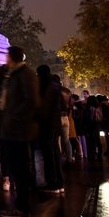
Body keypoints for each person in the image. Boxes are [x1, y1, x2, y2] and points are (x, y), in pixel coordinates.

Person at [0, 46, 40, 217]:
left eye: (7, 56)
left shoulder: (25, 74)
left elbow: (31, 101)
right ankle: (25, 205)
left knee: (21, 169)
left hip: (19, 130)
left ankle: (24, 208)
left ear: (12, 57)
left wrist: (14, 118)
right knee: (18, 168)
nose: (5, 59)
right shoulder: (14, 74)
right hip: (12, 129)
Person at [36, 65, 64, 193]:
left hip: (47, 125)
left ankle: (52, 183)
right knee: (55, 153)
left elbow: (44, 107)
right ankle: (59, 181)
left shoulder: (46, 86)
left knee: (49, 154)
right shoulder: (56, 86)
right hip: (55, 124)